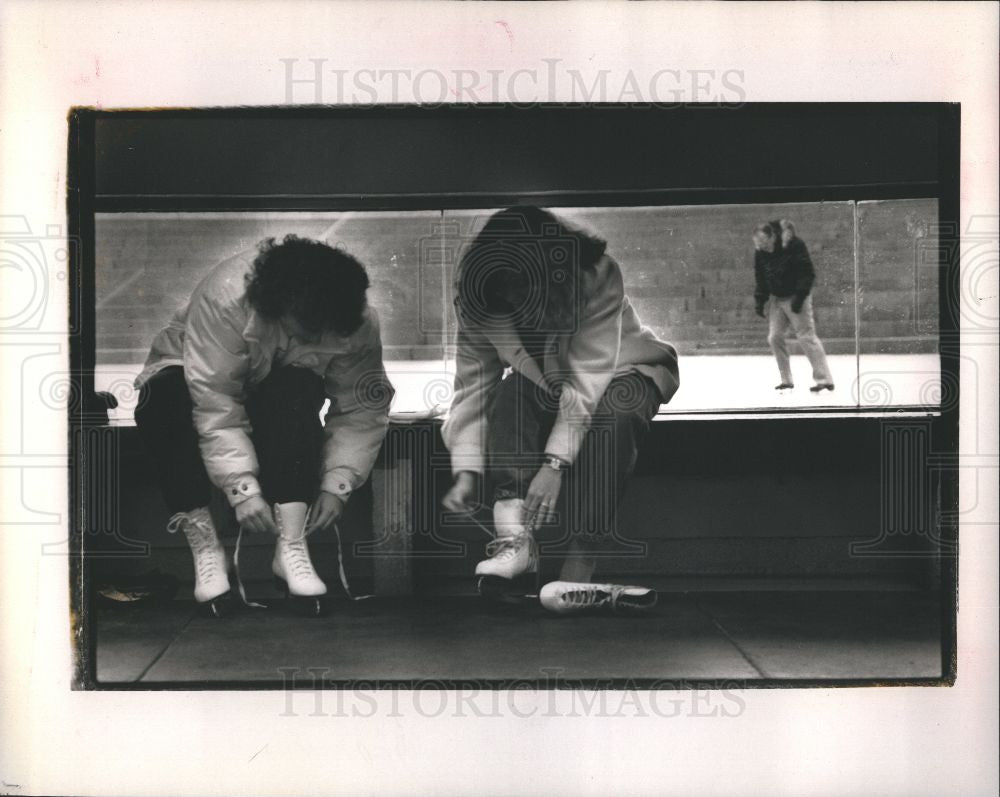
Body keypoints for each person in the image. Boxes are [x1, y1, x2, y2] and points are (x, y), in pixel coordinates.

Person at [133, 235, 393, 617]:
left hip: (274, 390)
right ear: (277, 309)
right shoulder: (223, 299)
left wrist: (339, 483)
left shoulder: (358, 322)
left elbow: (362, 406)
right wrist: (241, 488)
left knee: (297, 386)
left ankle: (291, 544)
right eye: (307, 332)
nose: (318, 339)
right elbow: (216, 402)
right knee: (162, 400)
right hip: (190, 376)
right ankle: (206, 548)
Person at [441, 206, 680, 614]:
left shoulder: (597, 275)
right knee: (512, 392)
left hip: (624, 369)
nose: (515, 303)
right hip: (547, 384)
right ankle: (515, 540)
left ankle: (581, 561)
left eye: (522, 291)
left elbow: (588, 382)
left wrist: (553, 465)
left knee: (615, 416)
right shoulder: (481, 296)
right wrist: (465, 469)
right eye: (507, 295)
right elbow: (473, 387)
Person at [752, 219, 834, 392]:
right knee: (774, 337)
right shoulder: (760, 252)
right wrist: (760, 301)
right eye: (759, 243)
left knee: (806, 336)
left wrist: (800, 296)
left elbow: (807, 272)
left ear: (773, 237)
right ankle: (786, 379)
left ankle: (824, 379)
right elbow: (761, 278)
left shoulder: (794, 245)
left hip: (797, 295)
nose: (763, 247)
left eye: (765, 242)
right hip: (777, 299)